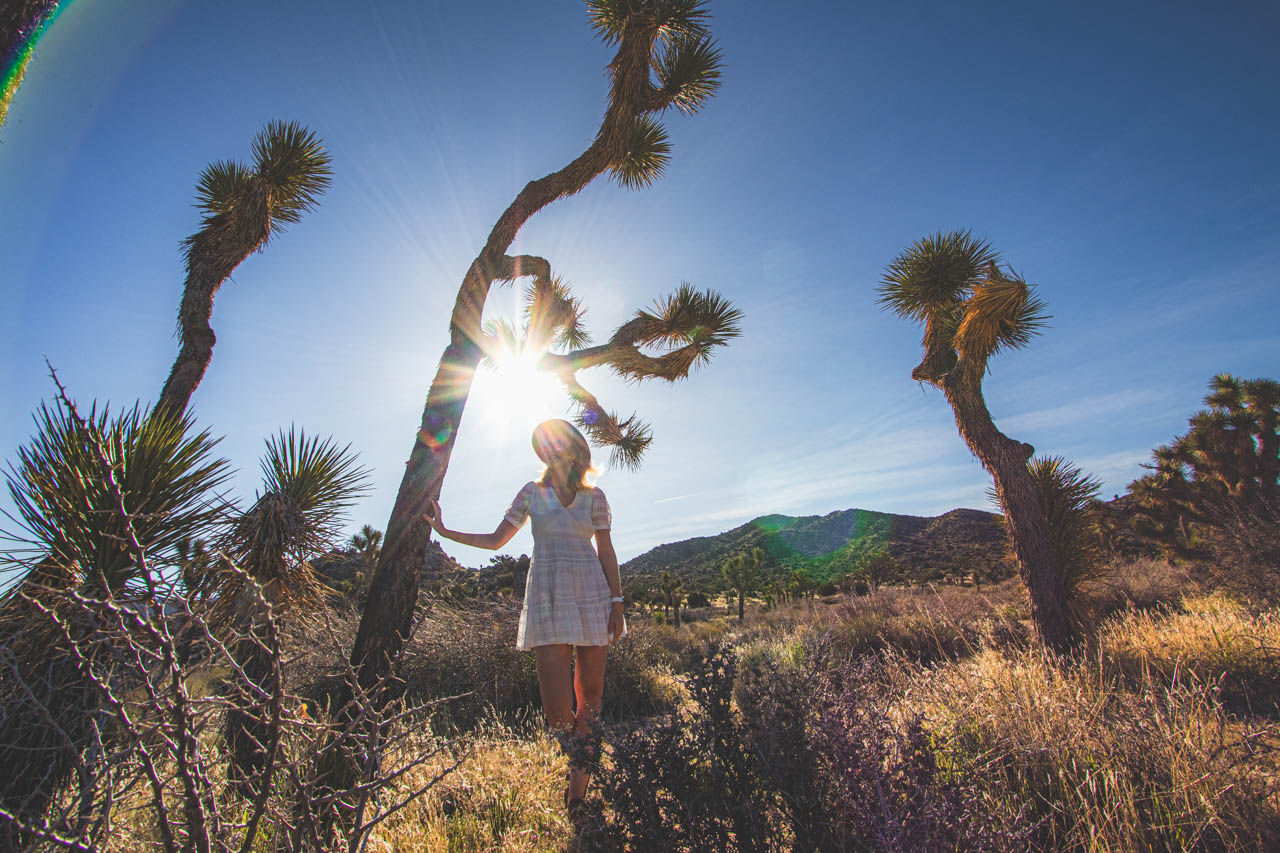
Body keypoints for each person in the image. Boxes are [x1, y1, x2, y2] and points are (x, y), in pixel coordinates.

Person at [424, 418, 625, 822]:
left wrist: (617, 602)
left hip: (593, 597)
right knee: (558, 713)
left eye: (558, 442)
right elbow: (497, 540)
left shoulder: (595, 497)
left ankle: (577, 797)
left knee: (592, 700)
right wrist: (446, 533)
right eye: (544, 445)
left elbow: (606, 551)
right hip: (549, 599)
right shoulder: (532, 494)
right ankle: (580, 768)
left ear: (574, 447)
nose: (551, 450)